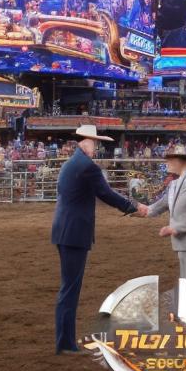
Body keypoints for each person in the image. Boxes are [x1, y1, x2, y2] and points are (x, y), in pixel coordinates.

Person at [51, 124, 138, 355]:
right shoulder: (87, 167)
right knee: (70, 289)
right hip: (74, 233)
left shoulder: (70, 164)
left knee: (68, 287)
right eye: (96, 143)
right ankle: (65, 343)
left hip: (64, 230)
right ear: (88, 141)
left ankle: (65, 341)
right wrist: (132, 207)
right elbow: (106, 193)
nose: (97, 147)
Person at [134, 145, 186, 320]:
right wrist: (144, 210)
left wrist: (175, 228)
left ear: (183, 162)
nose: (167, 162)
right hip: (183, 245)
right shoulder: (174, 185)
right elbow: (159, 206)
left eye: (171, 159)